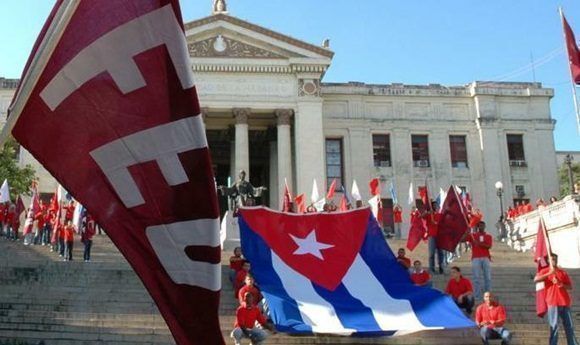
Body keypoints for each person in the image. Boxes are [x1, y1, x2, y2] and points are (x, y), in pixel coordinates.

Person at [534, 254, 578, 345]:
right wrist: (549, 274)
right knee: (554, 326)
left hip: (565, 302)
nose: (554, 260)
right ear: (548, 261)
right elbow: (536, 279)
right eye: (552, 259)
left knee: (569, 326)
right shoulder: (544, 271)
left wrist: (562, 284)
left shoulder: (562, 272)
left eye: (555, 259)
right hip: (553, 302)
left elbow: (570, 286)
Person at [466, 221, 492, 302]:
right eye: (480, 226)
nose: (482, 227)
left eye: (483, 226)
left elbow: (489, 246)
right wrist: (466, 233)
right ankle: (477, 295)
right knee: (476, 278)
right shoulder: (473, 235)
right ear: (477, 227)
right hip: (476, 258)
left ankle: (488, 295)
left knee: (487, 277)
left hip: (485, 257)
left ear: (485, 226)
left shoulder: (488, 236)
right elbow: (462, 240)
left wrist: (479, 244)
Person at [424, 202, 443, 274]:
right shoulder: (429, 215)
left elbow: (444, 223)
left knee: (440, 253)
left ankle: (441, 266)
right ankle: (432, 268)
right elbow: (421, 216)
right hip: (431, 236)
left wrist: (437, 223)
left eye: (436, 205)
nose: (435, 207)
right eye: (434, 205)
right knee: (431, 253)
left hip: (440, 236)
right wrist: (428, 212)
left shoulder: (440, 215)